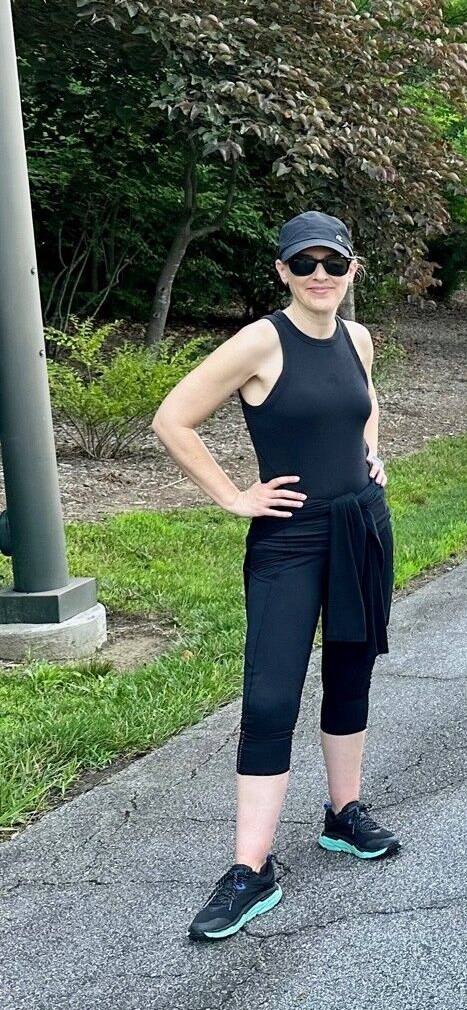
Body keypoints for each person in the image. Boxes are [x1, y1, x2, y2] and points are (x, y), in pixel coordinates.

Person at [154, 213, 397, 940]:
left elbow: (364, 403)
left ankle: (343, 814)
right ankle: (249, 869)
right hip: (289, 539)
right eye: (306, 263)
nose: (321, 274)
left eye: (334, 262)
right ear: (284, 271)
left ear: (353, 269)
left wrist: (370, 453)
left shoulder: (358, 338)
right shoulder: (262, 340)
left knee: (351, 672)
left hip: (361, 525)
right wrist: (234, 497)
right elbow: (173, 419)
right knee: (270, 695)